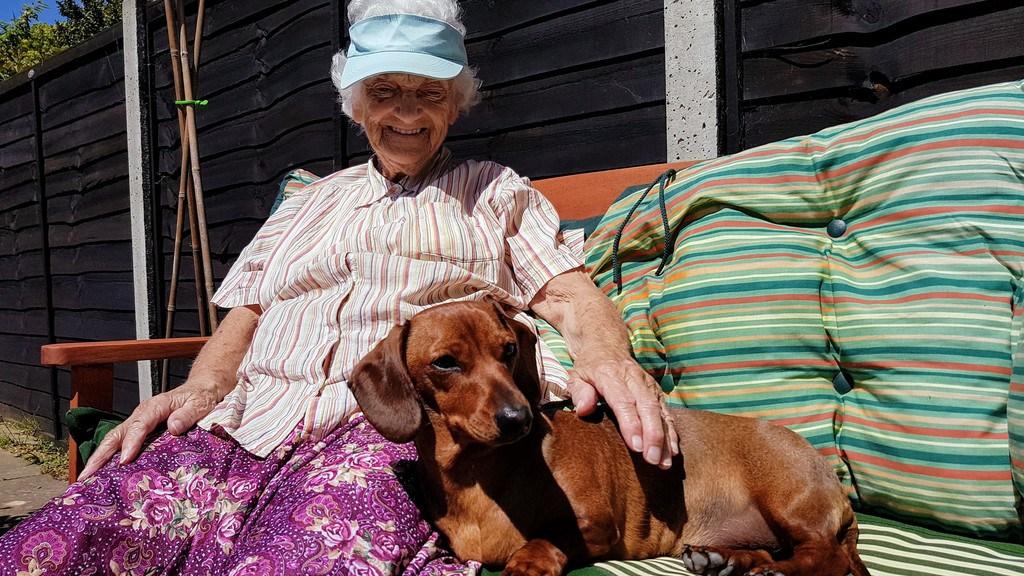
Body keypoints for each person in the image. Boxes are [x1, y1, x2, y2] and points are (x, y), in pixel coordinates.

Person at [0, 1, 677, 574]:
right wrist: (201, 388)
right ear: (356, 105)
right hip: (249, 421)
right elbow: (250, 312)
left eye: (429, 92)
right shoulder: (309, 202)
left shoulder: (495, 191)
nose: (406, 112)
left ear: (457, 103)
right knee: (53, 546)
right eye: (384, 91)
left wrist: (607, 357)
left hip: (385, 431)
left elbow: (566, 294)